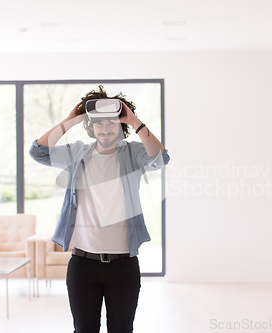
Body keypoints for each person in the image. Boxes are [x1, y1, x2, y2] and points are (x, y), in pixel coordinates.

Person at [28, 85, 170, 333]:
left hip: (123, 265)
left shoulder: (133, 153)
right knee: (84, 330)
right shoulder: (77, 153)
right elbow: (38, 152)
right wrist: (70, 121)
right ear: (91, 127)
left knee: (122, 329)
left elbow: (160, 158)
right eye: (99, 124)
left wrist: (134, 120)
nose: (105, 129)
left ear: (120, 126)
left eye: (112, 123)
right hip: (83, 264)